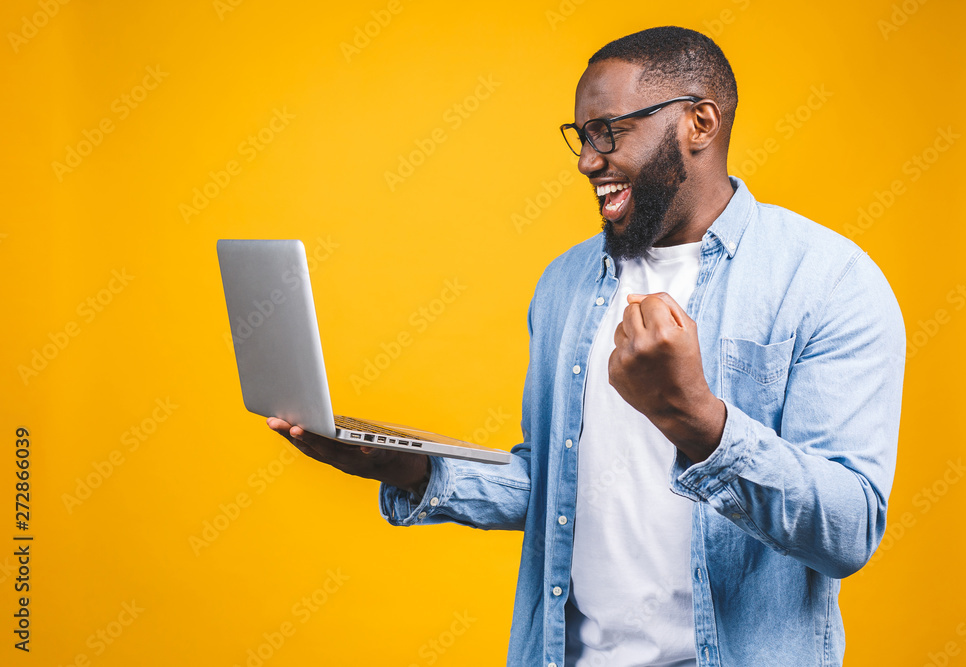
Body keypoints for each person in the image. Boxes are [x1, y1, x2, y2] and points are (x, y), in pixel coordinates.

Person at [268, 26, 905, 667]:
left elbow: (848, 531)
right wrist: (409, 466)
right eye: (580, 137)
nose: (586, 161)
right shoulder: (566, 283)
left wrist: (695, 418)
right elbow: (557, 491)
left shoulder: (827, 280)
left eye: (609, 131)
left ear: (700, 123)